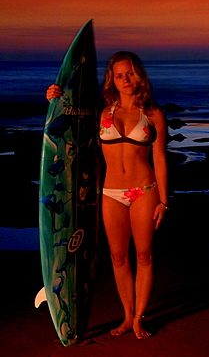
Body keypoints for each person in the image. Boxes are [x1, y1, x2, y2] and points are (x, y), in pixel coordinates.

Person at [46, 51, 168, 340]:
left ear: (139, 75)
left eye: (130, 73)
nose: (125, 79)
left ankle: (139, 318)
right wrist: (54, 98)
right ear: (111, 80)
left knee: (144, 256)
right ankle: (127, 315)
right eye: (118, 75)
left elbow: (160, 159)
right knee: (117, 257)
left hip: (145, 191)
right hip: (110, 193)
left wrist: (164, 200)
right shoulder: (102, 112)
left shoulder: (153, 114)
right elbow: (67, 119)